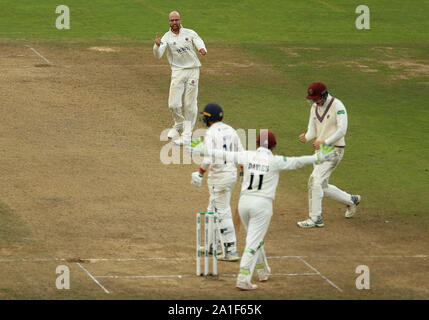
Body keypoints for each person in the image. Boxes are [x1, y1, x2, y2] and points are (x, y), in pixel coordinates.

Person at [188, 130, 337, 290]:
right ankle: (243, 279)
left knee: (255, 239)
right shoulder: (276, 161)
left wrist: (202, 149)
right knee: (253, 241)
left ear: (258, 143)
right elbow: (297, 162)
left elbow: (224, 154)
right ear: (274, 146)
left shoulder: (247, 155)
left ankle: (263, 272)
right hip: (262, 205)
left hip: (244, 203)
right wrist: (319, 158)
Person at [297, 81, 361, 228]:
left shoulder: (338, 106)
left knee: (314, 181)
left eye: (316, 98)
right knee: (321, 186)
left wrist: (324, 142)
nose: (314, 101)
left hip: (334, 149)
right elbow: (312, 129)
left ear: (324, 95)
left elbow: (342, 130)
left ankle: (315, 218)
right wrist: (306, 136)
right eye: (312, 99)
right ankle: (351, 200)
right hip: (321, 150)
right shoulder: (314, 107)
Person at [190, 103, 244, 261]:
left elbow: (208, 158)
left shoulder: (211, 133)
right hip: (231, 175)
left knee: (222, 212)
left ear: (210, 118)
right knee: (212, 210)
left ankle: (231, 250)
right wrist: (242, 173)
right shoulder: (231, 130)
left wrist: (200, 173)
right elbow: (241, 154)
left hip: (218, 177)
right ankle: (211, 246)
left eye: (205, 117)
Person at [153, 11, 207, 146]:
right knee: (173, 104)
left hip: (193, 70)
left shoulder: (189, 33)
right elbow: (158, 55)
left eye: (176, 20)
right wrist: (157, 45)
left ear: (180, 20)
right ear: (169, 22)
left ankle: (187, 135)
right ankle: (178, 123)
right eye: (172, 20)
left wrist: (201, 48)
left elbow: (198, 40)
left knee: (190, 104)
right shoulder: (166, 37)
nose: (174, 23)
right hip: (177, 71)